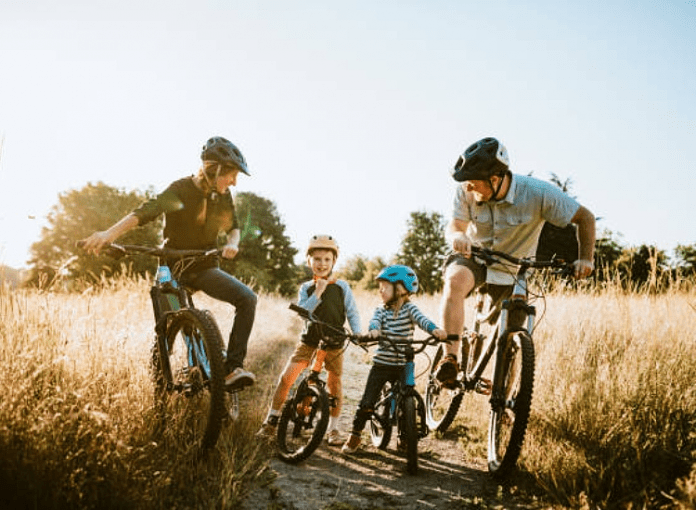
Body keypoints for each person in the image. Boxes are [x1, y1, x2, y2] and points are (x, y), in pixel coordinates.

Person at [80, 136, 258, 389]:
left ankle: (231, 369)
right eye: (231, 175)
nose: (234, 181)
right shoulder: (181, 190)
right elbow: (144, 212)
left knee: (247, 298)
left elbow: (234, 227)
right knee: (171, 322)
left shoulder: (223, 196)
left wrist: (233, 243)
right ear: (214, 169)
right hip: (172, 272)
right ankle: (172, 382)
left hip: (205, 268)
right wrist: (108, 234)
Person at [435, 136, 596, 387]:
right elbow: (456, 224)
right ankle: (450, 359)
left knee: (512, 332)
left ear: (495, 179)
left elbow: (585, 218)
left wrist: (586, 259)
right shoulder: (466, 190)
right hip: (475, 256)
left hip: (514, 269)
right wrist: (457, 235)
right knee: (455, 280)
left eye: (474, 183)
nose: (468, 188)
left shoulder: (538, 193)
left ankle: (505, 398)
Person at [257, 235, 361, 446]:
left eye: (327, 259)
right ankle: (271, 421)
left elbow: (352, 311)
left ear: (333, 262)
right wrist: (319, 291)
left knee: (334, 384)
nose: (322, 263)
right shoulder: (306, 288)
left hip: (334, 342)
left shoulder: (342, 287)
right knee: (287, 378)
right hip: (309, 341)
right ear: (309, 261)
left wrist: (357, 332)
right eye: (317, 259)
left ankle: (333, 429)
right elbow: (304, 312)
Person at [341, 265, 448, 454]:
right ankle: (355, 435)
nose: (380, 291)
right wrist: (374, 331)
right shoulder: (381, 311)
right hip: (382, 364)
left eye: (385, 286)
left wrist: (435, 330)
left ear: (400, 289)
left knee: (408, 399)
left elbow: (422, 320)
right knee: (367, 402)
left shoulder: (410, 309)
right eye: (379, 287)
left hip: (404, 364)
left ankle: (405, 438)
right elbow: (375, 322)